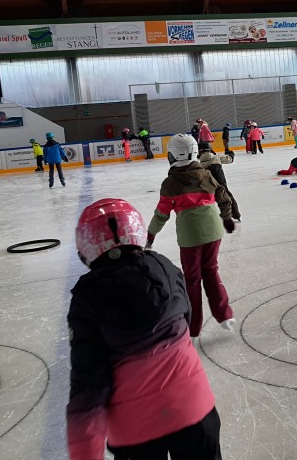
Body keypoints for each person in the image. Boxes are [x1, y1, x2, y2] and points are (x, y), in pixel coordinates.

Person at [67, 198, 222, 460]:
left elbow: (88, 382)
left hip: (135, 430)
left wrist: (85, 453)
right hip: (194, 408)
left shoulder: (86, 299)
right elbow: (185, 316)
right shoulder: (165, 267)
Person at [146, 134, 236, 339]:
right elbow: (222, 194)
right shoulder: (205, 174)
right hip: (213, 231)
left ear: (173, 156)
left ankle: (193, 327)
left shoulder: (170, 183)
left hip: (190, 237)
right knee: (211, 272)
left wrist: (150, 235)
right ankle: (224, 315)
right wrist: (227, 217)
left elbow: (161, 214)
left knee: (192, 280)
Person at [198, 141, 241, 221]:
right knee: (228, 197)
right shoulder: (216, 157)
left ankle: (207, 218)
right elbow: (229, 159)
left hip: (209, 184)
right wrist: (231, 154)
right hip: (221, 182)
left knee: (209, 200)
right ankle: (236, 214)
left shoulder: (200, 163)